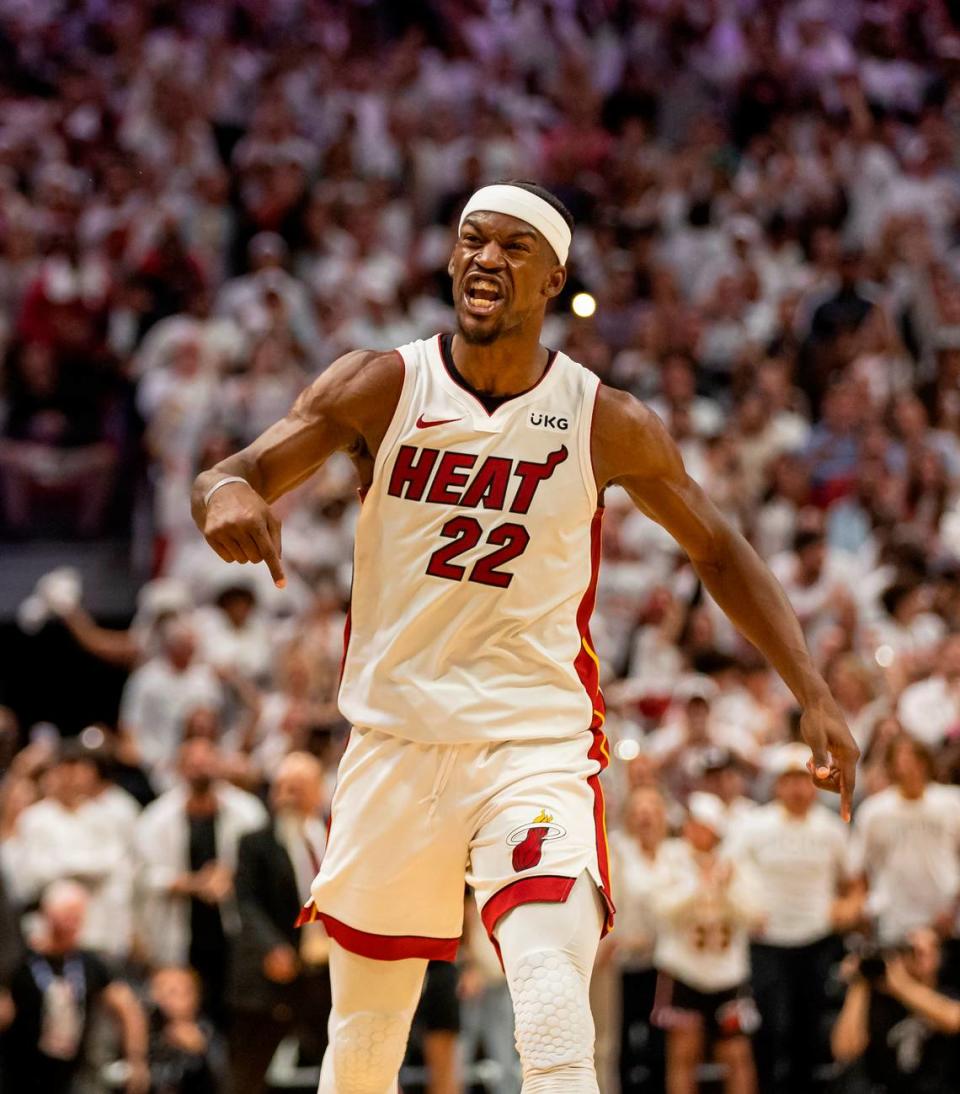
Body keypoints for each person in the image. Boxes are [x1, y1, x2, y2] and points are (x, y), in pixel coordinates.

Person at [191, 180, 858, 1093]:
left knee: (550, 1008)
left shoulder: (603, 417)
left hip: (534, 741)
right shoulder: (382, 383)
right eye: (471, 240)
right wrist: (227, 495)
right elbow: (236, 472)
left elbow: (718, 549)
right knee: (363, 1047)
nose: (484, 260)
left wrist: (814, 693)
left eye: (512, 247)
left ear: (554, 280)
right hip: (395, 739)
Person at [727, 742, 861, 1093]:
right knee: (770, 1027)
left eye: (802, 780)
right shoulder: (753, 826)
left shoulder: (831, 828)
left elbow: (853, 882)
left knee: (810, 1026)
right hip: (768, 940)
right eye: (788, 780)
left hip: (817, 938)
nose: (796, 788)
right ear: (776, 785)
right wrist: (746, 909)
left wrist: (847, 906)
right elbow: (728, 873)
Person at [133, 737, 266, 1024]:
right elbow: (144, 874)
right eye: (193, 763)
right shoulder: (157, 817)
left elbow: (262, 864)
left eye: (206, 761)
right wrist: (192, 884)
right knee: (184, 1012)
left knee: (234, 1012)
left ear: (218, 764)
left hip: (232, 930)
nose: (200, 769)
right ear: (180, 768)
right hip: (179, 929)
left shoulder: (247, 811)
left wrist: (229, 876)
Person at [228, 751, 331, 1093]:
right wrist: (272, 948)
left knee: (344, 1061)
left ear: (319, 791)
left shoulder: (335, 837)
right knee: (248, 1072)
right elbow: (246, 902)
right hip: (272, 970)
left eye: (298, 787)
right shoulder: (254, 842)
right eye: (281, 786)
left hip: (325, 972)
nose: (287, 795)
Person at [650, 793, 765, 1094]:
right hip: (683, 970)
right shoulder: (671, 856)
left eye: (702, 825)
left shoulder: (736, 862)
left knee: (737, 1056)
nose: (695, 831)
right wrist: (699, 884)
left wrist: (726, 888)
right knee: (683, 1055)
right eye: (691, 823)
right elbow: (661, 908)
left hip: (728, 973)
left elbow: (756, 915)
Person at [0, 880, 149, 1094]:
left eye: (79, 915)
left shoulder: (89, 963)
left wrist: (137, 1060)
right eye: (67, 914)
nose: (74, 922)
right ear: (47, 914)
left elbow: (127, 1007)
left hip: (70, 1074)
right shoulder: (19, 960)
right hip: (18, 1072)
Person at [850, 735, 960, 944]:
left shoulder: (952, 803)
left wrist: (954, 907)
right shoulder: (874, 811)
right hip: (894, 917)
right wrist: (863, 907)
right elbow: (858, 868)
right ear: (890, 767)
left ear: (926, 763)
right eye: (900, 760)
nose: (908, 767)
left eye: (914, 760)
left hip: (947, 915)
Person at [832, 927, 960, 1093]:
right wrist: (860, 982)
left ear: (940, 955)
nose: (921, 956)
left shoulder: (948, 995)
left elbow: (954, 1019)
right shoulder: (882, 998)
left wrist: (900, 985)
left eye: (928, 949)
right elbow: (844, 1052)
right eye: (913, 950)